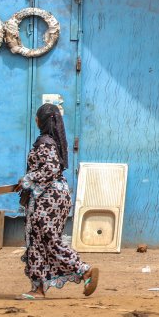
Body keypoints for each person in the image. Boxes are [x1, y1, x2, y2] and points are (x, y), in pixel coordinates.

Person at [14, 103, 98, 299]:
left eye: (36, 117)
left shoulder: (44, 142)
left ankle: (81, 271)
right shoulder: (54, 142)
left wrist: (27, 179)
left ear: (40, 121)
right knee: (45, 240)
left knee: (41, 240)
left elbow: (49, 170)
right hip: (56, 197)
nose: (35, 120)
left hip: (47, 199)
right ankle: (41, 286)